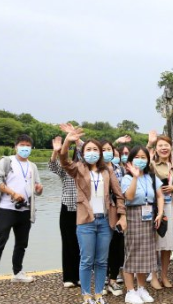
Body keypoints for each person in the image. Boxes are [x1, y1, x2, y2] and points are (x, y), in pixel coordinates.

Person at [59, 129, 127, 304]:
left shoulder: (107, 171)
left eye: (95, 150)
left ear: (101, 153)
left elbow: (119, 195)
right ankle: (86, 295)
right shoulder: (78, 169)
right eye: (88, 150)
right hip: (86, 221)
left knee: (102, 260)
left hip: (105, 221)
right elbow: (64, 160)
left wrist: (122, 216)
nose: (92, 153)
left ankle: (98, 294)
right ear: (82, 152)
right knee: (87, 259)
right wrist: (68, 141)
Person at [0, 134, 43, 288]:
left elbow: (38, 188)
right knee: (0, 240)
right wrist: (13, 193)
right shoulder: (7, 161)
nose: (25, 148)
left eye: (28, 145)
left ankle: (18, 272)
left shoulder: (32, 166)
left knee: (21, 243)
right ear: (15, 146)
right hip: (7, 208)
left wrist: (39, 189)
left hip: (26, 209)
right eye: (22, 144)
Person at [121, 145, 165, 304]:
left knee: (146, 254)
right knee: (132, 253)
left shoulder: (152, 177)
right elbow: (129, 197)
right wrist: (134, 176)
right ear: (131, 160)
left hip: (149, 217)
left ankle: (141, 287)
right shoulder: (126, 178)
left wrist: (160, 213)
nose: (140, 160)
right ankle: (130, 291)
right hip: (133, 215)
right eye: (137, 157)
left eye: (143, 157)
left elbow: (159, 196)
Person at [147, 133, 173, 289]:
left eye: (166, 145)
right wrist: (149, 144)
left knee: (168, 244)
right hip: (156, 207)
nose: (164, 148)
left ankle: (164, 275)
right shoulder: (152, 165)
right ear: (156, 149)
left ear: (171, 147)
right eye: (160, 145)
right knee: (154, 242)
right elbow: (140, 165)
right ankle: (153, 276)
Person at [48, 131, 81, 288]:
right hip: (68, 209)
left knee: (83, 244)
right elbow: (53, 166)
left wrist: (77, 139)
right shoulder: (67, 169)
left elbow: (95, 151)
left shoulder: (88, 170)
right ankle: (69, 277)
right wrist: (56, 151)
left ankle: (81, 276)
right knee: (68, 243)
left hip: (85, 210)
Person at [102, 140, 127, 297]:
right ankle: (102, 280)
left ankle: (113, 279)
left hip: (117, 212)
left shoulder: (120, 169)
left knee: (116, 247)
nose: (106, 152)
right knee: (102, 247)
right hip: (100, 213)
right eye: (103, 149)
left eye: (109, 149)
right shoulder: (94, 169)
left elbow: (121, 193)